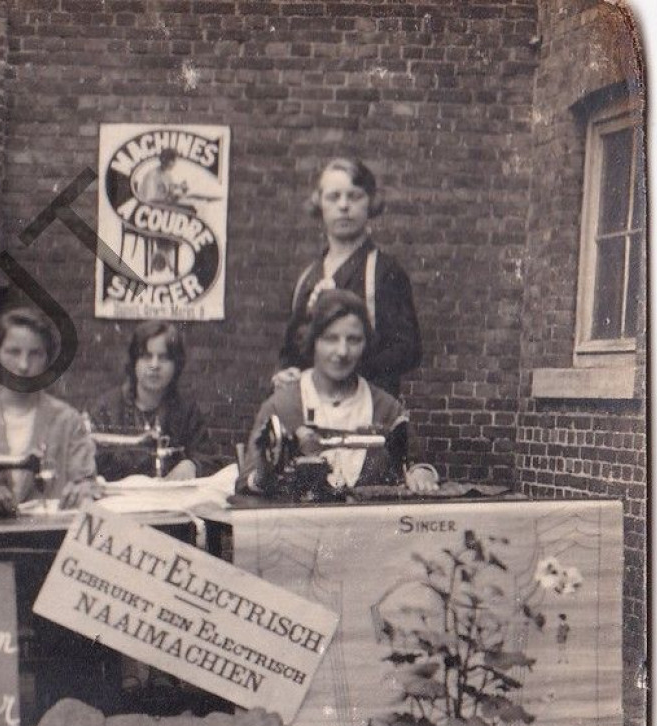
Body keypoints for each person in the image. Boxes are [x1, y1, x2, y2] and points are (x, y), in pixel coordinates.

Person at [243, 290, 439, 495]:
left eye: (354, 340)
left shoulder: (387, 409)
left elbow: (416, 462)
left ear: (366, 343)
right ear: (313, 341)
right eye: (331, 338)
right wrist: (265, 473)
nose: (342, 351)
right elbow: (246, 483)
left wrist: (421, 473)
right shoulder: (280, 406)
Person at [274, 157, 421, 395]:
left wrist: (344, 370)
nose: (343, 206)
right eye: (333, 197)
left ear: (370, 203)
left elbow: (407, 350)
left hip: (366, 409)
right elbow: (291, 349)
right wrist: (286, 371)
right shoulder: (308, 278)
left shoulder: (384, 273)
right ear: (319, 203)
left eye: (354, 196)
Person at [0, 307, 99, 515]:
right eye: (13, 352)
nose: (24, 365)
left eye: (35, 354)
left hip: (48, 539)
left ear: (48, 359)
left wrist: (82, 490)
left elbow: (86, 481)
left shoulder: (68, 421)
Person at [86, 321, 207, 481]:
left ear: (176, 364)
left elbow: (209, 458)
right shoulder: (106, 408)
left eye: (163, 358)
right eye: (146, 356)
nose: (154, 365)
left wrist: (193, 465)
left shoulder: (187, 411)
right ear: (134, 362)